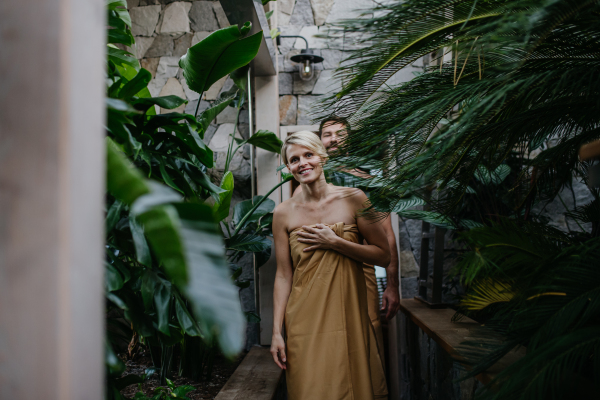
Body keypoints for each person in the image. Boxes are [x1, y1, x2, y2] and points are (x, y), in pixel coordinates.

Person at [271, 131, 391, 400]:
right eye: (294, 159)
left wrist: (336, 243)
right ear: (288, 167)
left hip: (349, 314)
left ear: (322, 157)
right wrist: (277, 332)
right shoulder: (282, 213)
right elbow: (282, 275)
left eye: (308, 155)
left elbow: (383, 255)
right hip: (303, 319)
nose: (302, 163)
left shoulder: (355, 198)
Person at [293, 117, 401, 384]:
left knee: (365, 334)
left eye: (340, 134)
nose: (333, 139)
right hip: (315, 279)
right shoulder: (305, 182)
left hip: (359, 270)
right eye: (327, 134)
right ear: (319, 142)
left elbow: (387, 235)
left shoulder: (367, 182)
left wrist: (393, 285)